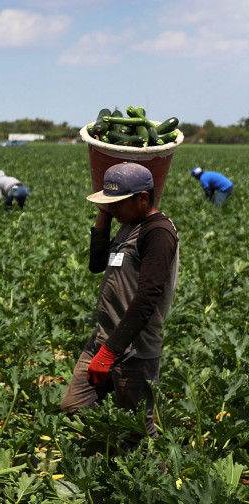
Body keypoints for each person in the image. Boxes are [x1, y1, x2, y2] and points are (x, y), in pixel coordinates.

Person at [60, 162, 178, 448]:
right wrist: (106, 212)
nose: (113, 209)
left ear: (143, 198)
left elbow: (148, 295)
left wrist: (111, 352)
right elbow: (97, 264)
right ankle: (113, 463)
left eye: (118, 203)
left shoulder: (158, 233)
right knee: (74, 408)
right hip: (103, 339)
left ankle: (156, 487)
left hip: (133, 350)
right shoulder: (129, 225)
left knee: (137, 430)